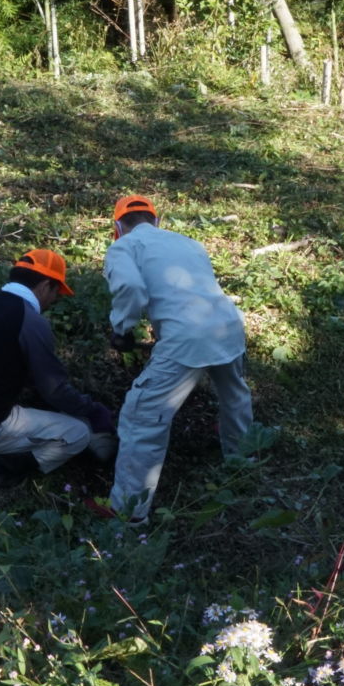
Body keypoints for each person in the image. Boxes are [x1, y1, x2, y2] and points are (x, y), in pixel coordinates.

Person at [103, 194, 253, 520]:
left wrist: (122, 328)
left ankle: (127, 512)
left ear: (118, 225)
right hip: (228, 326)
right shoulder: (189, 243)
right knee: (235, 396)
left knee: (142, 417)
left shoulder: (123, 247)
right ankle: (242, 463)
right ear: (157, 220)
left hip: (187, 339)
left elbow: (130, 288)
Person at [0, 248, 117, 488]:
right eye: (56, 292)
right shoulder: (32, 322)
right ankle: (2, 466)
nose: (54, 300)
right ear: (45, 286)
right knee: (78, 434)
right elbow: (55, 389)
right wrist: (91, 410)